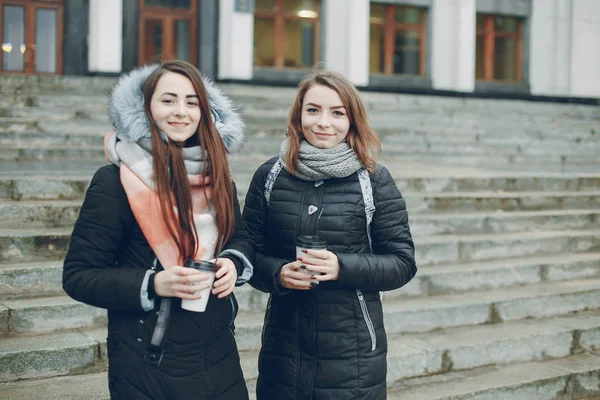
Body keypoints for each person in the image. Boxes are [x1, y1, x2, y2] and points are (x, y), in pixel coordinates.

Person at [63, 60, 253, 400]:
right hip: (148, 361)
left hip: (219, 353)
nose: (181, 111)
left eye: (192, 102)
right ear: (145, 108)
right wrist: (153, 283)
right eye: (168, 100)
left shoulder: (217, 177)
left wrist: (233, 263)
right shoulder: (115, 182)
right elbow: (79, 275)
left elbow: (238, 236)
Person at [243, 69, 417, 399]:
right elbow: (247, 252)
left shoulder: (374, 181)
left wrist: (341, 268)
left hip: (352, 351)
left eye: (337, 113)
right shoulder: (269, 175)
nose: (324, 122)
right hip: (285, 345)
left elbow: (402, 263)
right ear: (298, 115)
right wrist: (277, 273)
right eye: (313, 110)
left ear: (352, 119)